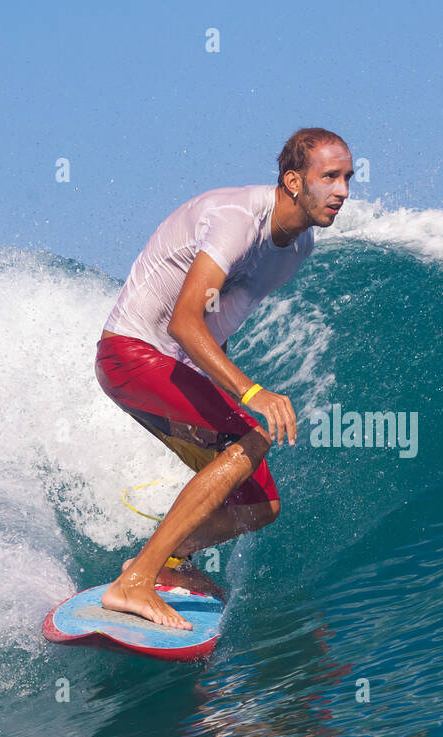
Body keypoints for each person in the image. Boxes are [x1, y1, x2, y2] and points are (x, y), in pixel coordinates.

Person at [94, 127, 352, 629]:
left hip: (171, 365)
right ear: (294, 181)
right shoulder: (238, 221)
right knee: (252, 441)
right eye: (330, 177)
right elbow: (184, 322)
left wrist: (217, 400)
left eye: (347, 178)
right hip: (131, 353)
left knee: (260, 503)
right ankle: (135, 582)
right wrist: (251, 392)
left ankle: (166, 563)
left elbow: (215, 324)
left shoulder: (297, 249)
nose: (342, 190)